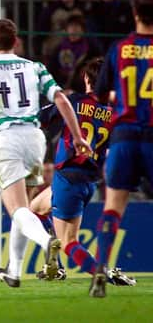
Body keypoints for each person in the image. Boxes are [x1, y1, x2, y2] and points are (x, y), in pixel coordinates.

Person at [0, 19, 92, 288]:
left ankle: (47, 241)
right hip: (34, 139)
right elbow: (61, 99)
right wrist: (78, 136)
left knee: (18, 209)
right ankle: (14, 270)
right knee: (27, 209)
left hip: (2, 139)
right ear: (16, 41)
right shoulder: (34, 67)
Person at [31, 58, 135, 286]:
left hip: (67, 176)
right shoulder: (114, 113)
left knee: (69, 242)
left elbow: (41, 119)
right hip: (88, 181)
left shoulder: (75, 102)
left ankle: (103, 273)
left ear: (86, 79)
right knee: (35, 209)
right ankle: (54, 267)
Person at [89, 0, 153, 298]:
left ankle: (100, 268)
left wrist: (118, 97)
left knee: (113, 207)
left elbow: (100, 94)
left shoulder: (120, 47)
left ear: (134, 13)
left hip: (124, 138)